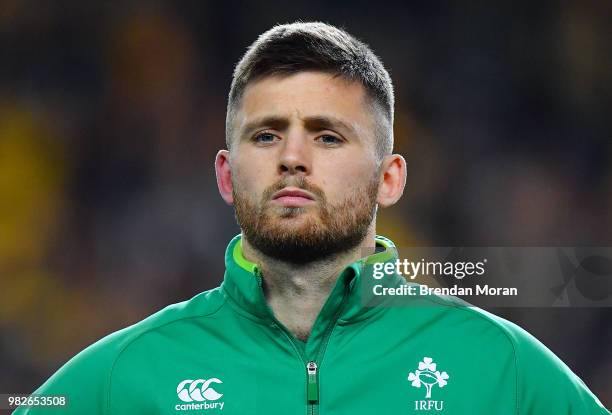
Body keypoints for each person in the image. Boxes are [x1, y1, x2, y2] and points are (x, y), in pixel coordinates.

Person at [14, 21, 609, 414]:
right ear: (225, 175)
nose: (293, 159)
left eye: (327, 137)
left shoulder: (499, 366)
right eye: (267, 135)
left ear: (390, 178)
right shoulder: (125, 375)